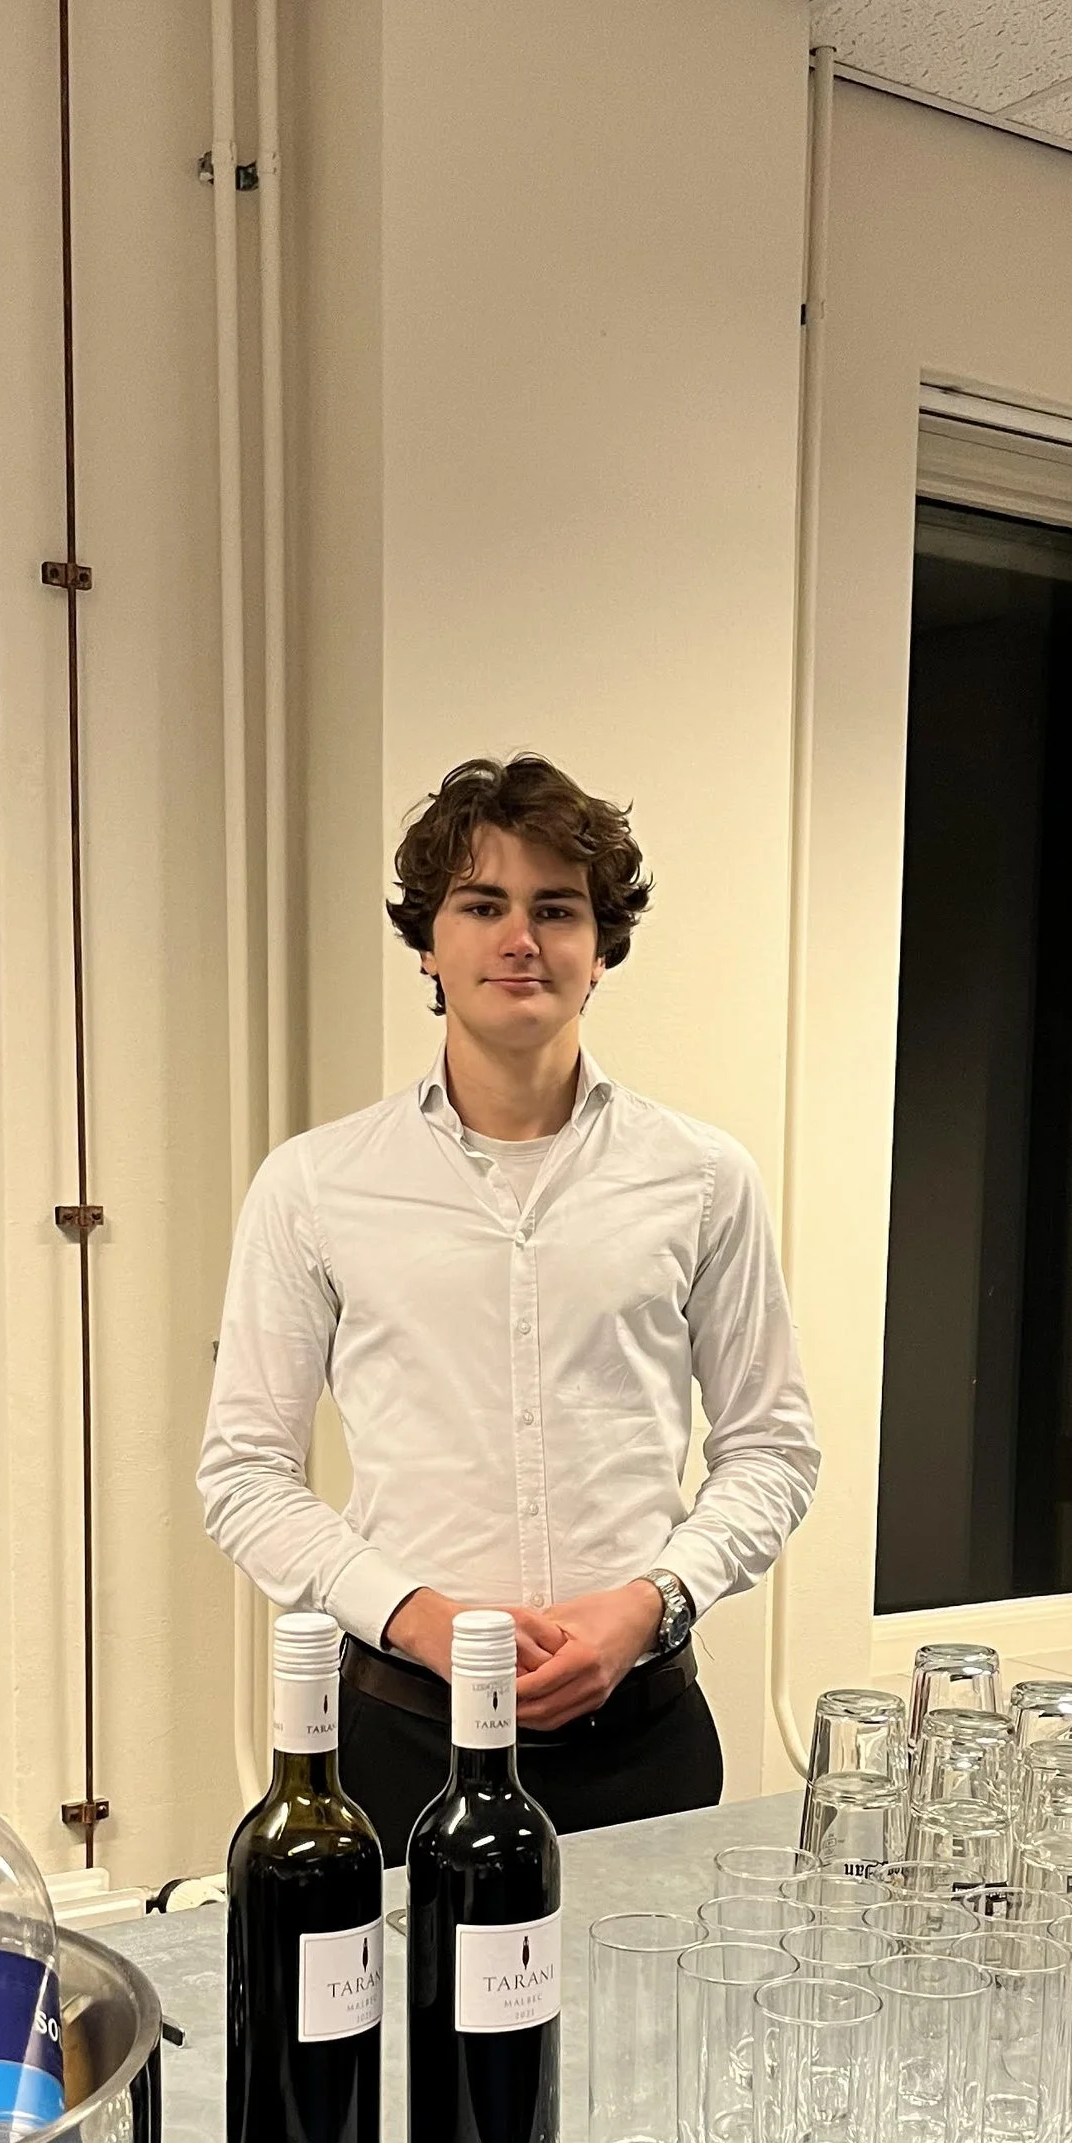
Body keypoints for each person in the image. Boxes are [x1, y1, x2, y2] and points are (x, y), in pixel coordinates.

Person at [200, 752, 820, 1859]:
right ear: (429, 942)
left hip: (646, 1738)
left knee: (652, 2033)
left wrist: (652, 1600)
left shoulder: (703, 1176)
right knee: (406, 2035)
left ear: (599, 948)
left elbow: (772, 1451)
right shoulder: (314, 1184)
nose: (519, 937)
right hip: (403, 1746)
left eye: (556, 908)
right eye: (482, 904)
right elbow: (244, 1475)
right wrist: (414, 1617)